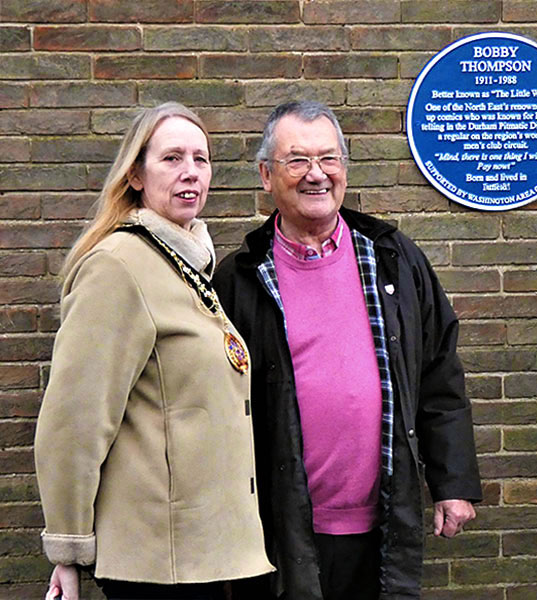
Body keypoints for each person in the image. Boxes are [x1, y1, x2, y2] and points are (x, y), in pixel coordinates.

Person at [211, 100, 482, 600]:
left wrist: (453, 481)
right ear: (267, 176)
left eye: (329, 159)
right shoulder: (240, 278)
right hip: (280, 525)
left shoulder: (394, 259)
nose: (316, 175)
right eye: (297, 161)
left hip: (381, 521)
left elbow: (439, 371)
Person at [34, 102, 273, 600]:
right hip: (159, 563)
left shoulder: (183, 263)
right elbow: (74, 420)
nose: (191, 172)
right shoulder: (119, 266)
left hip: (204, 555)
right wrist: (69, 550)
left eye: (201, 159)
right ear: (137, 175)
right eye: (171, 158)